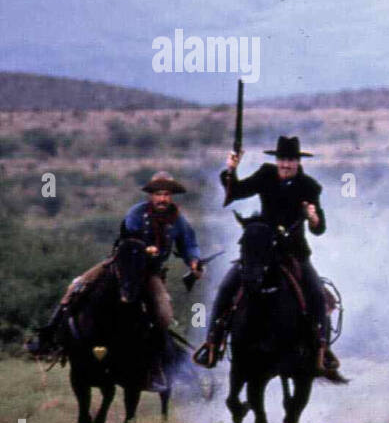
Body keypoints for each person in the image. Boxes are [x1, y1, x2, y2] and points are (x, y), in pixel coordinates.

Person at [193, 135, 342, 380]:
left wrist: (312, 216)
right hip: (261, 250)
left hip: (294, 252)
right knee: (227, 286)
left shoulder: (310, 187)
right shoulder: (265, 175)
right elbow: (236, 192)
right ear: (277, 160)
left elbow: (319, 227)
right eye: (282, 159)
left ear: (297, 162)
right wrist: (231, 168)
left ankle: (322, 349)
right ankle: (211, 343)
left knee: (316, 293)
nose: (285, 164)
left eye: (290, 160)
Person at [28, 171, 201, 368]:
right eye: (158, 193)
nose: (163, 198)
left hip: (150, 273)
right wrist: (144, 248)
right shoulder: (137, 213)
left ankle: (160, 357)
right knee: (76, 287)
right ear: (151, 195)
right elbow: (129, 237)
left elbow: (189, 245)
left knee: (164, 314)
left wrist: (194, 262)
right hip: (121, 264)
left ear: (171, 196)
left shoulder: (178, 220)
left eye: (167, 194)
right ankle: (48, 338)